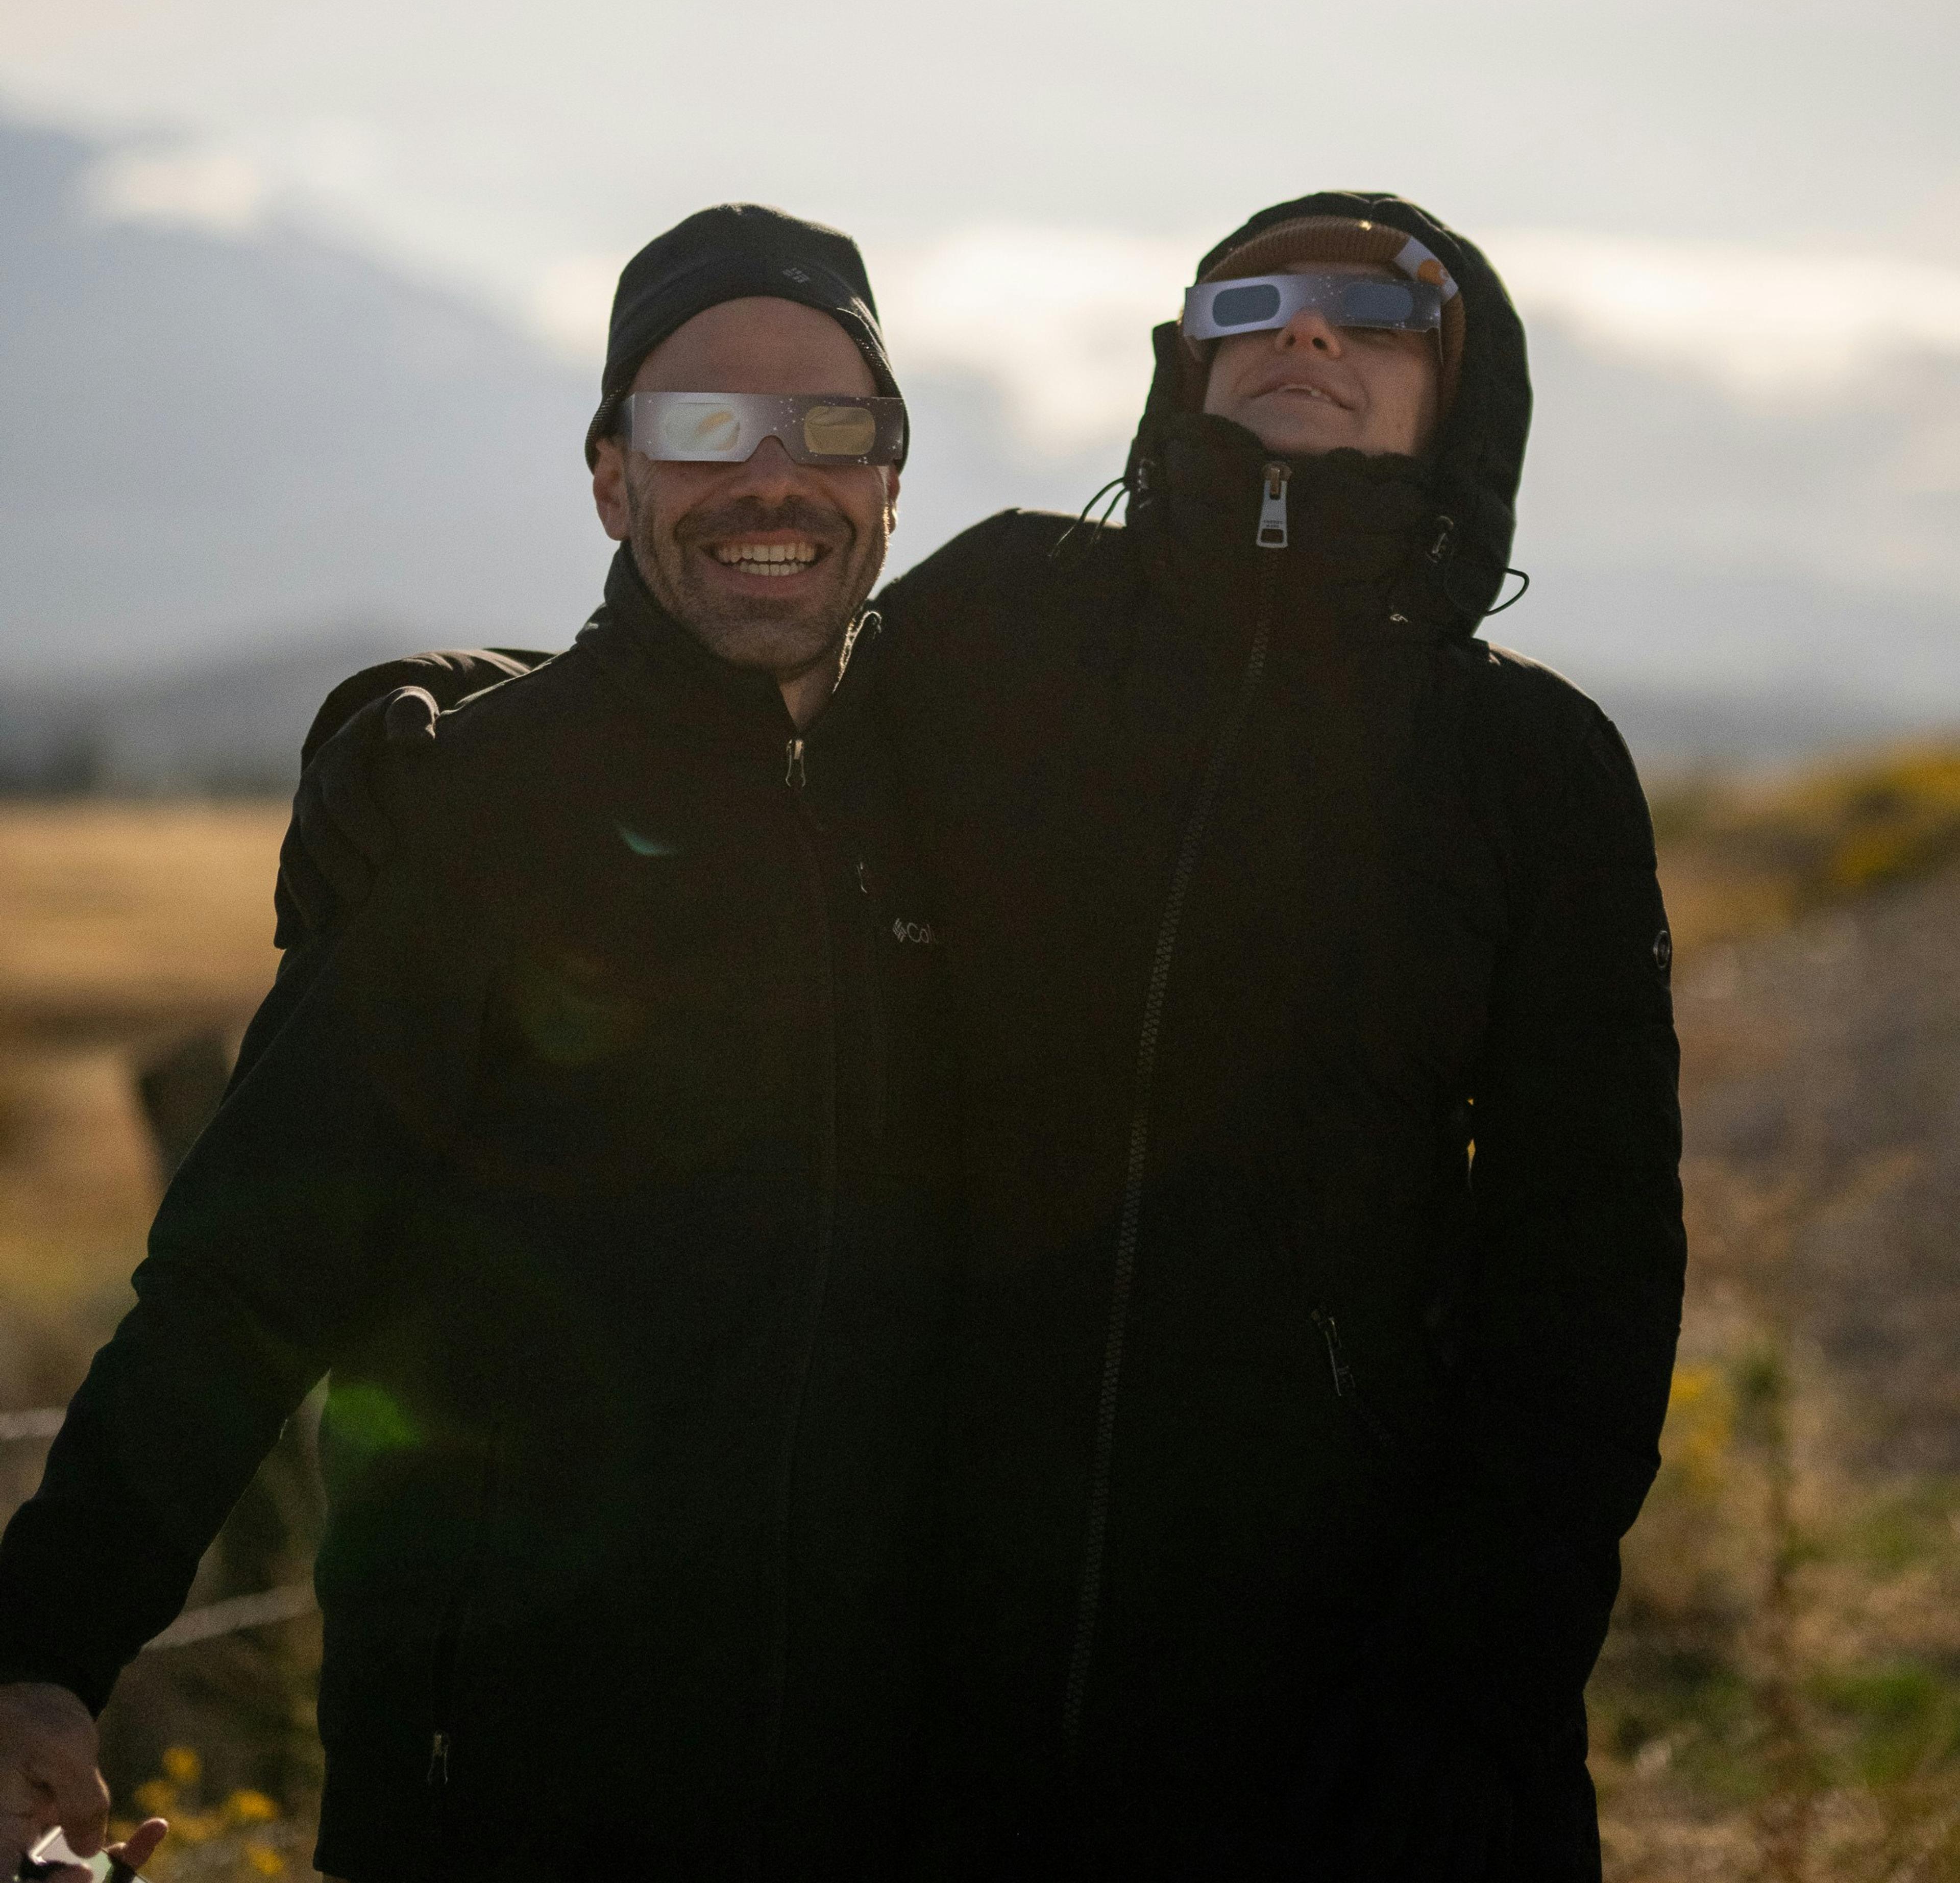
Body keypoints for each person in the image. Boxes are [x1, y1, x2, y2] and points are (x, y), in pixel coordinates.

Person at [233, 187, 1687, 1879]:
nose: (1306, 334)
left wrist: (1474, 1695)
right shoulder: (1006, 619)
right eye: (1258, 304)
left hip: (1335, 1671)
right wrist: (435, 707)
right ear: (1181, 371)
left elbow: (1587, 1283)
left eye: (1375, 320)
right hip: (943, 1671)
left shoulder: (1529, 768)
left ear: (1463, 399)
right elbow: (730, 697)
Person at [0, 205, 956, 1883]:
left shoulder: (956, 817)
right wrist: (39, 1654)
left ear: (892, 477)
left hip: (894, 1779)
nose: (773, 476)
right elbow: (243, 1282)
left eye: (832, 426)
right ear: (611, 476)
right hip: (510, 1783)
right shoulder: (474, 811)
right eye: (703, 426)